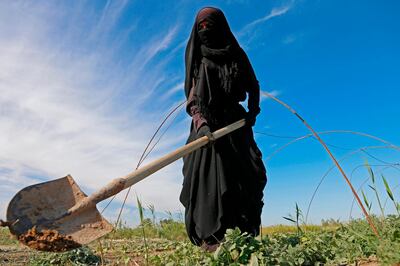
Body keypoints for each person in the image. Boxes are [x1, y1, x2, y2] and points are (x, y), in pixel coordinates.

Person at [180, 7, 267, 251]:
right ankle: (213, 243)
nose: (206, 31)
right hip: (207, 125)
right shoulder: (199, 57)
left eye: (211, 25)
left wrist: (253, 111)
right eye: (201, 28)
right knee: (209, 179)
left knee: (250, 175)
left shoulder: (237, 55)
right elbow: (194, 98)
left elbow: (253, 84)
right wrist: (201, 123)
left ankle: (244, 237)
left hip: (236, 125)